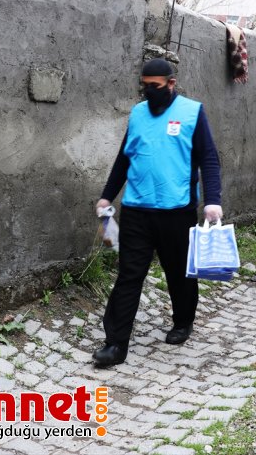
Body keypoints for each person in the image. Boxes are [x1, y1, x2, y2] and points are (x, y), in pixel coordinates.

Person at [91, 58, 223, 367]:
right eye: (145, 86)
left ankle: (183, 320)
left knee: (178, 271)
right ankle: (116, 343)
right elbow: (124, 159)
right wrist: (106, 196)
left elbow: (209, 158)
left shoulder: (192, 112)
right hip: (137, 208)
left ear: (171, 84)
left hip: (177, 209)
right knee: (129, 275)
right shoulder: (137, 114)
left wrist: (213, 199)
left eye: (156, 87)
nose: (149, 92)